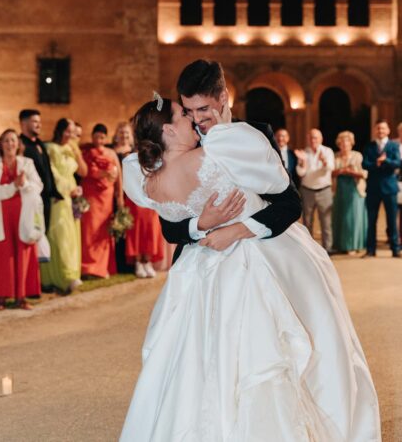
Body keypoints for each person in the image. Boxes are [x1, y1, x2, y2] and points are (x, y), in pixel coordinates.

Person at [120, 96, 380, 441]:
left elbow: (172, 223)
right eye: (184, 114)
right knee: (268, 354)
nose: (194, 120)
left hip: (201, 269)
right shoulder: (217, 151)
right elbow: (277, 193)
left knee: (201, 363)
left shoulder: (148, 178)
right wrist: (205, 222)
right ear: (168, 128)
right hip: (253, 262)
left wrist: (201, 224)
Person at [157, 60, 302, 265]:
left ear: (223, 96)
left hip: (257, 258)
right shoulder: (181, 143)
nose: (196, 119)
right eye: (188, 111)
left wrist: (236, 232)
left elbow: (290, 205)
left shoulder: (257, 133)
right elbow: (169, 229)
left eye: (203, 108)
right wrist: (200, 224)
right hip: (198, 264)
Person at [0, 129, 43, 310]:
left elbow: (38, 186)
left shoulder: (27, 163)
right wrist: (13, 186)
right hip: (1, 217)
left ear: (18, 144)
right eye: (6, 141)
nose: (10, 144)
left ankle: (21, 297)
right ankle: (0, 297)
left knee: (23, 254)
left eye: (13, 140)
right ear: (1, 144)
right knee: (1, 256)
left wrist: (23, 184)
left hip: (23, 216)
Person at [41, 118, 88, 293]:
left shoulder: (70, 148)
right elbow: (51, 173)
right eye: (68, 131)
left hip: (72, 196)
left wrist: (77, 152)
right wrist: (68, 189)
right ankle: (61, 276)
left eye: (73, 132)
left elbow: (83, 171)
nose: (70, 135)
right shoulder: (49, 148)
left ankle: (71, 274)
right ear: (59, 130)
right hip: (58, 196)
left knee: (71, 235)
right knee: (60, 235)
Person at [114, 121, 165, 278]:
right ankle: (137, 261)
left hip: (147, 194)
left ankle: (147, 260)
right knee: (135, 229)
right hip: (131, 194)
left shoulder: (144, 151)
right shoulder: (121, 154)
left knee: (150, 228)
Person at [80, 124, 122, 278]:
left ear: (106, 138)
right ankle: (87, 267)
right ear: (92, 136)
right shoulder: (86, 152)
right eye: (96, 136)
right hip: (90, 195)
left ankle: (101, 267)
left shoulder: (111, 153)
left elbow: (118, 177)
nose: (99, 140)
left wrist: (120, 197)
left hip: (106, 196)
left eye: (102, 137)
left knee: (103, 231)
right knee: (89, 230)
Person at [19, 109, 62, 234]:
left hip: (46, 198)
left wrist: (54, 191)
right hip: (30, 198)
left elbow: (47, 169)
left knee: (44, 233)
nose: (39, 125)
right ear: (23, 123)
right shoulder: (20, 145)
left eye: (40, 122)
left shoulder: (40, 144)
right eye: (35, 121)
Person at [362, 120, 401, 258]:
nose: (380, 131)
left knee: (392, 220)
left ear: (388, 130)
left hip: (390, 188)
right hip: (372, 188)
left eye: (383, 128)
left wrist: (386, 161)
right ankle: (370, 250)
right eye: (378, 128)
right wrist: (377, 163)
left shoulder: (394, 145)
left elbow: (398, 163)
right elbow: (365, 164)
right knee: (371, 220)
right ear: (375, 131)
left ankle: (396, 249)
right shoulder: (369, 146)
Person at [296, 128, 335, 252]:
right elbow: (301, 173)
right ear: (308, 139)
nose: (313, 140)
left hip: (324, 190)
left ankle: (327, 248)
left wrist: (324, 161)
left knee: (326, 222)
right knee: (307, 221)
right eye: (311, 137)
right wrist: (302, 162)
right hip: (307, 190)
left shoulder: (327, 151)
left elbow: (330, 168)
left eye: (316, 137)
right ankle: (310, 249)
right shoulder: (304, 153)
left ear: (321, 139)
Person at [332, 131, 368, 254]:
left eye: (347, 142)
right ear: (339, 144)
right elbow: (331, 173)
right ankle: (341, 245)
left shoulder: (357, 156)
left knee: (353, 217)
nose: (344, 145)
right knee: (341, 217)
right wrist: (342, 170)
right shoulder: (335, 156)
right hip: (339, 190)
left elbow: (363, 173)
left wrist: (349, 172)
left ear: (351, 144)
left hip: (354, 189)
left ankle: (355, 245)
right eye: (342, 143)